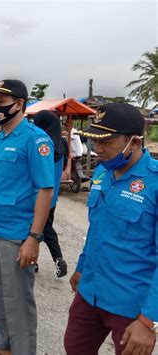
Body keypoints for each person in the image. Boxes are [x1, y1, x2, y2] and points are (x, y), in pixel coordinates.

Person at [64, 103, 157, 355]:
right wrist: (82, 267)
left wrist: (149, 321)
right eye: (95, 142)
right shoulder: (103, 174)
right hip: (90, 292)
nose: (98, 150)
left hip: (130, 304)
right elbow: (97, 229)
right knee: (74, 347)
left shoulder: (154, 184)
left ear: (134, 142)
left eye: (107, 142)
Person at [0, 79, 54, 355]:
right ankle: (4, 346)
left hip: (17, 234)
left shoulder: (35, 140)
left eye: (0, 103)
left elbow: (46, 190)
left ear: (19, 104)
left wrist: (34, 237)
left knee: (18, 301)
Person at [33, 110, 68, 278]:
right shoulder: (62, 144)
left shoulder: (38, 144)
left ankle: (49, 260)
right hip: (52, 198)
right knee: (44, 228)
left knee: (37, 230)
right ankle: (43, 261)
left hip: (37, 197)